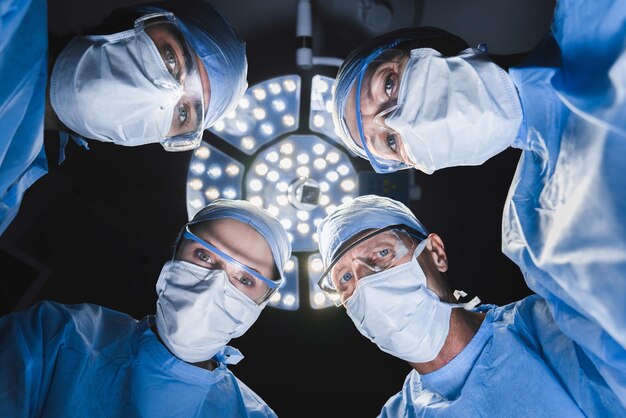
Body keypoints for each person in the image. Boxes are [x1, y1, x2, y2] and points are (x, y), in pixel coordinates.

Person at [330, 0, 626, 400]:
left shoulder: (595, 15)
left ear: (430, 46)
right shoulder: (532, 231)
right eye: (392, 143)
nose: (398, 120)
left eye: (388, 84)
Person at [316, 194, 626, 416]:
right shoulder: (399, 412)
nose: (367, 283)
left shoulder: (547, 327)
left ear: (436, 253)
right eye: (345, 278)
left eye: (382, 254)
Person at [0, 199, 290, 417]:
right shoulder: (58, 334)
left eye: (244, 279)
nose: (214, 286)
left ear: (260, 304)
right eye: (203, 255)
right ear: (175, 253)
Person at [0, 0, 247, 235]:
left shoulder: (8, 191)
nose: (165, 96)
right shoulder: (10, 9)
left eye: (183, 113)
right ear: (134, 18)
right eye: (171, 58)